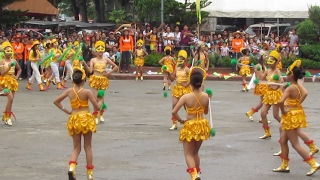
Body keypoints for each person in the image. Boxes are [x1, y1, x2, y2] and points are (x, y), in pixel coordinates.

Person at [53, 67, 102, 180]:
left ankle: (72, 167)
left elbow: (56, 101)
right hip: (86, 118)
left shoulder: (69, 91)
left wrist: (67, 111)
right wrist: (100, 100)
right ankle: (89, 174)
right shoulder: (87, 92)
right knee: (88, 147)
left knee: (76, 148)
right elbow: (97, 107)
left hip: (74, 118)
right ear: (84, 80)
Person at [273, 60, 320, 176]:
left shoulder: (290, 88)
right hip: (296, 113)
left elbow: (280, 101)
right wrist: (295, 102)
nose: (286, 75)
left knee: (295, 144)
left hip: (289, 116)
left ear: (291, 75)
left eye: (288, 73)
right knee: (283, 141)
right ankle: (284, 165)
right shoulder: (298, 86)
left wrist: (283, 111)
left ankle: (313, 163)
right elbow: (302, 95)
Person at [172, 67, 211, 180]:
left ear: (191, 83)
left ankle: (194, 175)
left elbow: (174, 111)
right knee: (195, 153)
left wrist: (180, 120)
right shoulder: (206, 96)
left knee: (188, 153)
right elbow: (206, 112)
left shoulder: (186, 97)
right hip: (201, 124)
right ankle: (197, 174)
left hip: (190, 124)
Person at [84, 40, 118, 124]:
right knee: (95, 99)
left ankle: (101, 115)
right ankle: (95, 116)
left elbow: (115, 67)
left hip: (103, 79)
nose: (100, 51)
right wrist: (85, 64)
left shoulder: (106, 59)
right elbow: (90, 71)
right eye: (98, 49)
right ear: (96, 50)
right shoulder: (93, 60)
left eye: (101, 49)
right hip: (95, 79)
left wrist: (108, 73)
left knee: (101, 98)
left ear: (103, 50)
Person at [259, 51, 283, 139]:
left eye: (272, 62)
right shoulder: (267, 71)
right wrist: (261, 71)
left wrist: (275, 86)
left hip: (275, 94)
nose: (270, 64)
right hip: (268, 94)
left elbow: (281, 82)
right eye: (269, 62)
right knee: (263, 113)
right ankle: (267, 132)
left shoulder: (277, 71)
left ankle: (287, 125)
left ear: (276, 62)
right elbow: (261, 79)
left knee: (276, 116)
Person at [165, 50, 191, 130]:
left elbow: (192, 78)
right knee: (174, 105)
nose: (180, 62)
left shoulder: (187, 69)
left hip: (185, 90)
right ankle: (175, 123)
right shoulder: (177, 68)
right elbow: (172, 79)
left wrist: (186, 84)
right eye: (179, 60)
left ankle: (190, 122)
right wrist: (168, 73)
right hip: (177, 88)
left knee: (187, 107)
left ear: (185, 61)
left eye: (182, 60)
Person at [0, 41, 22, 126]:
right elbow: (2, 73)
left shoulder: (14, 61)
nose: (9, 53)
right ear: (4, 52)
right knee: (10, 98)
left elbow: (19, 69)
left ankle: (6, 116)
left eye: (10, 51)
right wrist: (8, 68)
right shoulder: (2, 62)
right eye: (7, 51)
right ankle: (8, 117)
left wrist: (16, 77)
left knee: (11, 100)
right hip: (4, 81)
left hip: (12, 81)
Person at [246, 55, 268, 121]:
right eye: (265, 56)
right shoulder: (258, 66)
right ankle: (262, 117)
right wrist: (267, 73)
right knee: (266, 103)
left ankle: (250, 113)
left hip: (265, 84)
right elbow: (260, 77)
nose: (267, 57)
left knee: (263, 103)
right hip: (262, 85)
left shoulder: (263, 66)